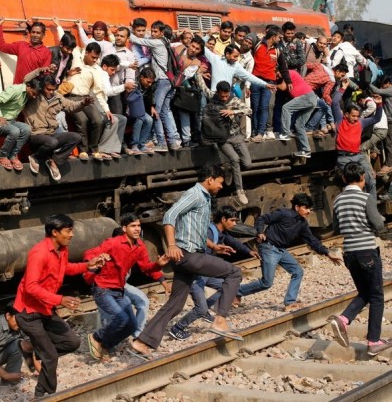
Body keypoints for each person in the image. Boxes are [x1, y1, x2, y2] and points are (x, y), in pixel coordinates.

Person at [131, 165, 245, 357]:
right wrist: (172, 245)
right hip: (189, 255)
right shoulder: (195, 194)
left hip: (188, 254)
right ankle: (220, 320)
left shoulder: (203, 197)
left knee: (175, 304)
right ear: (210, 179)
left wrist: (214, 246)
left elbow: (195, 230)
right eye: (220, 182)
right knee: (234, 273)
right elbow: (170, 216)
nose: (220, 187)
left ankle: (143, 341)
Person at [13, 214, 105, 398]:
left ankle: (29, 347)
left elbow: (66, 269)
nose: (71, 235)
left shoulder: (62, 250)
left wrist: (88, 265)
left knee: (72, 342)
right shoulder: (39, 253)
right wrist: (59, 300)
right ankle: (43, 395)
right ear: (54, 232)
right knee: (51, 357)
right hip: (29, 312)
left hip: (45, 308)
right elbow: (30, 287)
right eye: (68, 231)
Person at [236, 193, 343, 311]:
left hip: (281, 251)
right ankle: (236, 291)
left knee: (298, 272)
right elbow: (262, 219)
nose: (308, 211)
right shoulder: (283, 213)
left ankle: (290, 302)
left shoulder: (302, 224)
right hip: (269, 248)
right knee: (266, 283)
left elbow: (312, 240)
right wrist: (260, 232)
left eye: (310, 209)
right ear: (297, 207)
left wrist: (327, 253)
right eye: (306, 208)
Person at [85, 213, 169, 360]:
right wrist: (96, 259)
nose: (137, 229)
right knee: (121, 318)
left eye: (138, 226)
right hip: (102, 288)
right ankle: (96, 337)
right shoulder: (113, 243)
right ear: (124, 228)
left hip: (119, 290)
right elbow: (89, 253)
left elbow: (146, 268)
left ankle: (105, 345)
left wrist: (158, 265)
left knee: (132, 325)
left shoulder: (140, 246)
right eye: (133, 226)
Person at [169, 206, 260, 340]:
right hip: (195, 275)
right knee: (201, 308)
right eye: (233, 220)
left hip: (204, 274)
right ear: (223, 219)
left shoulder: (221, 233)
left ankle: (205, 310)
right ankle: (177, 327)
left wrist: (248, 251)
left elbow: (233, 242)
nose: (235, 224)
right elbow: (199, 257)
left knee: (229, 286)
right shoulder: (209, 233)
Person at [330, 162, 390, 356]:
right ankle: (373, 341)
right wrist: (377, 220)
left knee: (364, 291)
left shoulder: (338, 200)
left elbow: (337, 228)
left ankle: (344, 319)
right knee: (377, 296)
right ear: (362, 178)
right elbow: (378, 225)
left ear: (345, 179)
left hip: (350, 254)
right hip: (367, 251)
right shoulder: (365, 198)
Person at [22, 73, 86, 181]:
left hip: (51, 134)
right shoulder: (34, 95)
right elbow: (26, 80)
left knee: (76, 137)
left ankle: (53, 161)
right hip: (35, 135)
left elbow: (71, 106)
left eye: (53, 89)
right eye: (48, 89)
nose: (51, 92)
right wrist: (40, 70)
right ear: (42, 87)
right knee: (52, 142)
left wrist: (83, 103)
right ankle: (35, 157)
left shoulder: (57, 97)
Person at [129, 21, 182, 152]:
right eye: (151, 31)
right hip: (169, 81)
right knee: (164, 111)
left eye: (155, 31)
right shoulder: (165, 41)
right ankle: (172, 142)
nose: (152, 34)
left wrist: (129, 29)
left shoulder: (157, 42)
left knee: (156, 113)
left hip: (161, 81)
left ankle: (162, 143)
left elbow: (136, 39)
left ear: (162, 33)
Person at [197, 80, 252, 205]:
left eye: (226, 96)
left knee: (247, 164)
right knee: (235, 159)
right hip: (223, 138)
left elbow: (249, 111)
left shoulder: (234, 100)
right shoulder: (213, 96)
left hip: (236, 136)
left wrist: (233, 112)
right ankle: (239, 190)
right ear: (218, 93)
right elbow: (203, 87)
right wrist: (197, 73)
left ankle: (229, 170)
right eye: (222, 96)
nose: (224, 98)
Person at [334, 81, 383, 199]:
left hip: (358, 156)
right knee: (352, 184)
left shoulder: (360, 122)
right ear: (346, 114)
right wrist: (343, 88)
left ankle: (371, 208)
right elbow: (335, 103)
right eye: (353, 116)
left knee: (371, 180)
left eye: (357, 116)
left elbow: (376, 118)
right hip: (344, 158)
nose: (356, 118)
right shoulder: (340, 122)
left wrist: (379, 104)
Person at [66, 43, 111, 160]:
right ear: (86, 53)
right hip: (71, 98)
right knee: (82, 120)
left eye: (97, 58)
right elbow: (69, 41)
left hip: (86, 98)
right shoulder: (76, 58)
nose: (95, 60)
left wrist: (106, 109)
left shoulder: (97, 70)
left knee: (98, 120)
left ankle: (94, 149)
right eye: (93, 57)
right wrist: (58, 25)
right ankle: (83, 150)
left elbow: (98, 91)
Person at [0, 76, 40, 170]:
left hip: (11, 122)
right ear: (28, 86)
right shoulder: (15, 90)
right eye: (33, 93)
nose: (34, 96)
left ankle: (12, 156)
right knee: (15, 131)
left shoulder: (28, 94)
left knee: (27, 129)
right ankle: (2, 156)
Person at [250, 27, 291, 142]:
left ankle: (260, 132)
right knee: (255, 106)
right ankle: (254, 130)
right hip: (256, 80)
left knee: (265, 106)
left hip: (269, 82)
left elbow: (283, 68)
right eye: (279, 37)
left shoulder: (278, 50)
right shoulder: (258, 45)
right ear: (273, 37)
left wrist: (289, 81)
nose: (280, 39)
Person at [276, 69, 318, 158]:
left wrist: (272, 85)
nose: (277, 76)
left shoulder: (288, 73)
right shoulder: (292, 74)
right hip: (311, 99)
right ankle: (306, 150)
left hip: (307, 97)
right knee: (299, 125)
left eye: (277, 73)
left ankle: (285, 133)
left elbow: (283, 87)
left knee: (286, 108)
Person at [0, 18, 51, 84]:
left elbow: (45, 75)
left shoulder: (46, 52)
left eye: (38, 33)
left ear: (43, 35)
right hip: (17, 90)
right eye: (33, 32)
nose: (35, 35)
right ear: (30, 33)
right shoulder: (21, 46)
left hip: (32, 91)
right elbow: (1, 46)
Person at [126, 67, 157, 154]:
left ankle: (141, 144)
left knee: (149, 120)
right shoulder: (134, 85)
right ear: (142, 77)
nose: (150, 84)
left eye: (151, 82)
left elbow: (150, 98)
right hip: (130, 111)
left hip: (141, 110)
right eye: (148, 82)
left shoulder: (148, 87)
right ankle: (134, 145)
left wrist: (152, 106)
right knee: (140, 119)